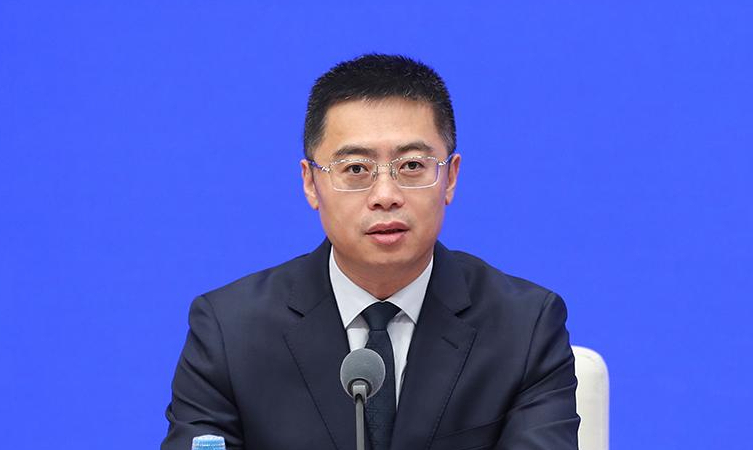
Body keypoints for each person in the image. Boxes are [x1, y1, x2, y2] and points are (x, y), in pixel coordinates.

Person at [162, 54, 579, 450]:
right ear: (311, 183)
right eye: (356, 169)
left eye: (411, 166)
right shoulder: (229, 332)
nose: (385, 195)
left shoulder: (524, 328)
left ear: (450, 178)